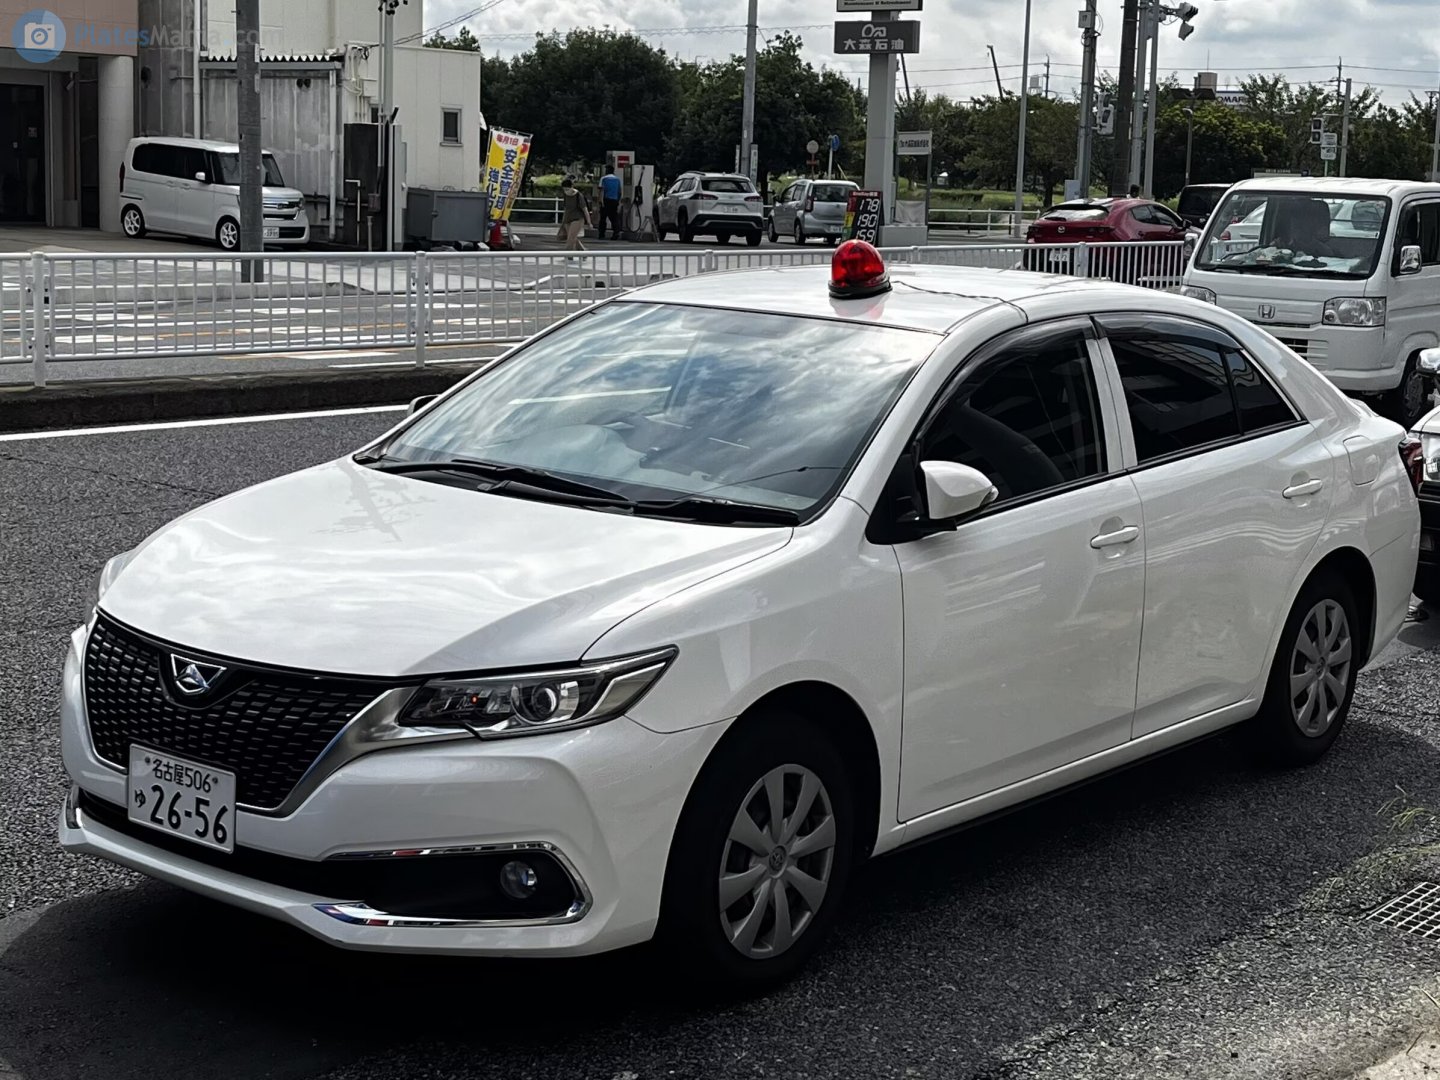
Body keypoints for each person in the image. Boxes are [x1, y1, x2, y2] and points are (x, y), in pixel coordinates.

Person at [560, 175, 591, 251]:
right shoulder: (565, 195)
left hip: (578, 218)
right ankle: (583, 251)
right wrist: (563, 221)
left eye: (567, 189)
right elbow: (566, 208)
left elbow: (585, 209)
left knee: (570, 237)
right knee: (573, 237)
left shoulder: (578, 195)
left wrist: (589, 222)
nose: (566, 191)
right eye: (564, 189)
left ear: (571, 187)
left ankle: (569, 254)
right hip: (568, 219)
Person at [598, 166, 623, 240]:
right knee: (614, 217)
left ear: (607, 171)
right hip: (614, 200)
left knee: (603, 218)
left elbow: (601, 190)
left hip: (606, 200)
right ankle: (616, 233)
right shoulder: (617, 179)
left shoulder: (603, 179)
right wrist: (618, 201)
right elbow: (619, 192)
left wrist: (600, 201)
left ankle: (602, 234)